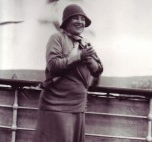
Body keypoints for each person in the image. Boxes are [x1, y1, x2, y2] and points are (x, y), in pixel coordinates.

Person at [33, 4, 103, 142]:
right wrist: (79, 57)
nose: (80, 22)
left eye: (83, 19)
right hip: (56, 104)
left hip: (78, 106)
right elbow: (53, 66)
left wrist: (89, 60)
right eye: (75, 18)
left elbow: (98, 69)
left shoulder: (85, 43)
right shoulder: (57, 38)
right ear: (66, 22)